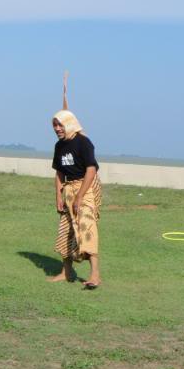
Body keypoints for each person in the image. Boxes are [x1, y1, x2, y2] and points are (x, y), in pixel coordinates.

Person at [49, 109, 103, 288]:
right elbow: (59, 172)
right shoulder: (59, 146)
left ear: (70, 123)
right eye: (55, 125)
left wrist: (80, 196)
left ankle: (95, 275)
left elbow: (91, 170)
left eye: (60, 124)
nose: (57, 128)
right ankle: (67, 272)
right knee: (65, 230)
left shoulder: (83, 143)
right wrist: (58, 195)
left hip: (85, 188)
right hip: (68, 190)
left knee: (87, 228)